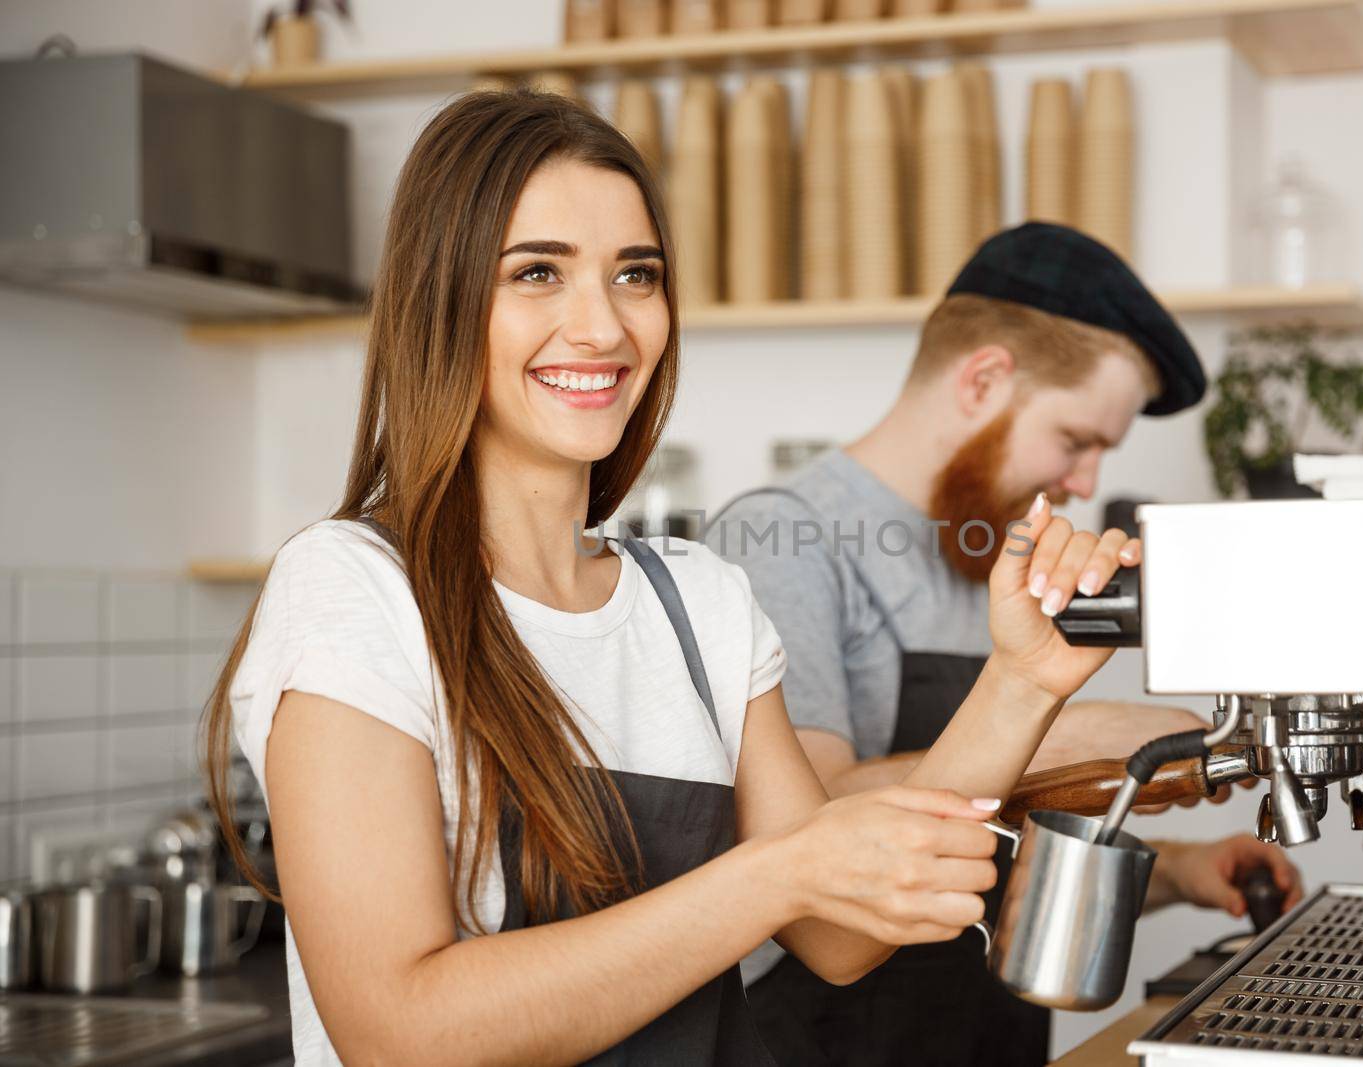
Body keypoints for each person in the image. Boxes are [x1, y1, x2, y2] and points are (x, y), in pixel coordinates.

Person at [197, 93, 1167, 1066]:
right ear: (439, 299)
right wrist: (771, 874)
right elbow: (400, 1031)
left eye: (637, 274)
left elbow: (840, 933)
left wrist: (1022, 680)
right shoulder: (353, 590)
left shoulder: (697, 601)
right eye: (538, 271)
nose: (603, 325)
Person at [711, 223, 1304, 1066]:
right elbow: (809, 828)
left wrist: (1177, 870)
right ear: (984, 377)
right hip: (830, 1036)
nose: (1086, 482)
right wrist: (1067, 732)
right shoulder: (783, 539)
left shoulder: (986, 548)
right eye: (1078, 440)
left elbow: (994, 843)